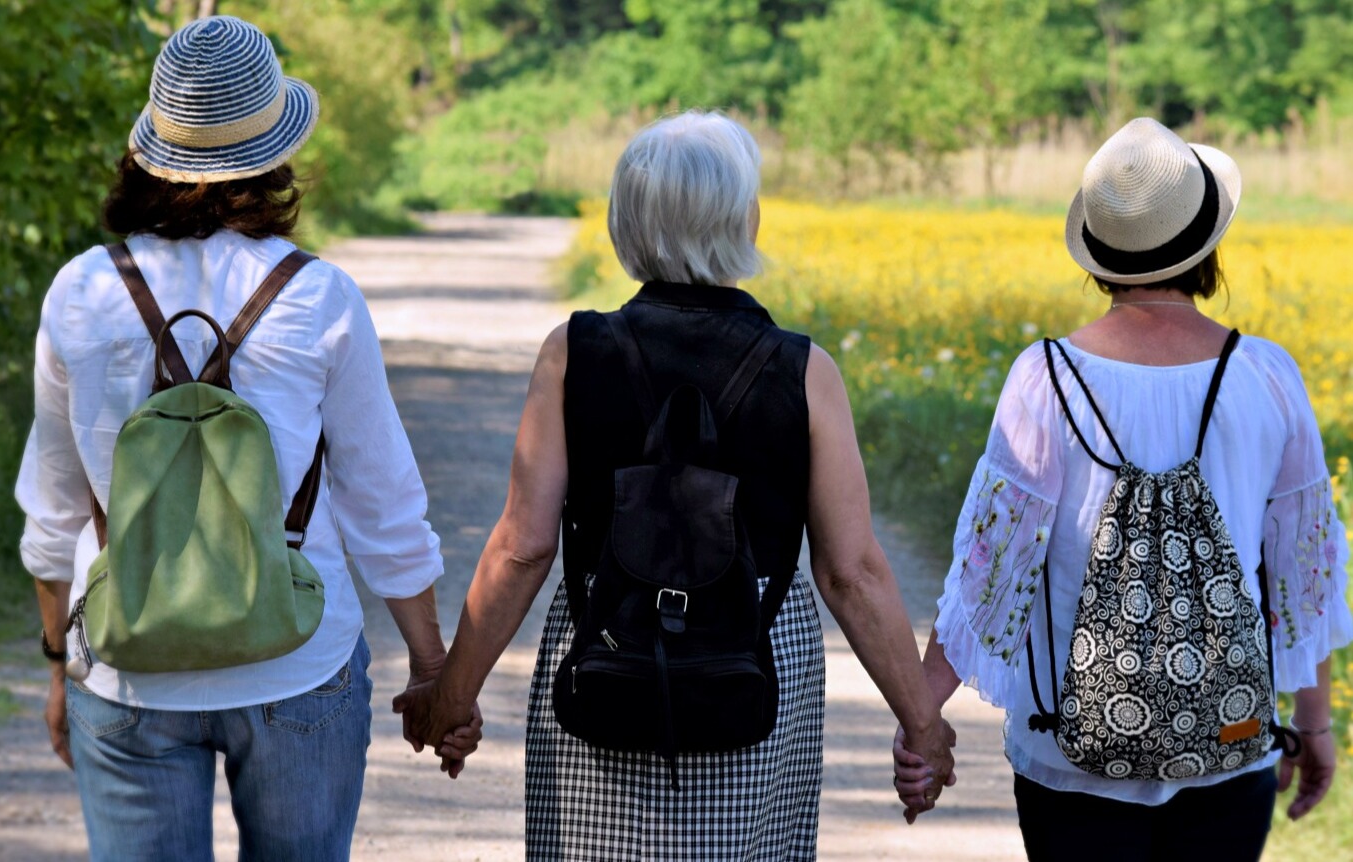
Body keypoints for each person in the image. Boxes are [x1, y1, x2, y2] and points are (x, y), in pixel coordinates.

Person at [390, 110, 955, 859]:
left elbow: (522, 549)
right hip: (754, 657)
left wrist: (451, 697)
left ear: (626, 223)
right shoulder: (805, 371)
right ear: (745, 221)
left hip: (607, 644)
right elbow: (850, 571)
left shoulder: (573, 353)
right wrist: (922, 724)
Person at [17, 17, 476, 861]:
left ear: (149, 151)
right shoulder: (319, 297)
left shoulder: (81, 291)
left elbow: (51, 511)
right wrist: (431, 668)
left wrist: (60, 667)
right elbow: (382, 505)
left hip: (126, 672)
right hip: (297, 660)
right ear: (273, 154)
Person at [893, 117, 1352, 859]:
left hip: (1067, 754)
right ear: (1208, 247)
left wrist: (922, 720)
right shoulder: (1267, 375)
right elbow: (1307, 572)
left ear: (1099, 254)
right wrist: (1316, 721)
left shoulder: (1045, 378)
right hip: (1231, 740)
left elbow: (990, 576)